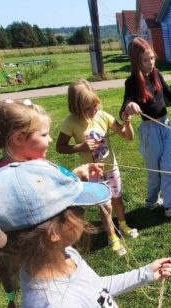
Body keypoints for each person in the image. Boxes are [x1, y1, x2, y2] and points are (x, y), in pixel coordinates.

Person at [0, 160, 171, 307]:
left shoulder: (63, 254)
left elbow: (96, 288)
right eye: (78, 209)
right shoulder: (55, 303)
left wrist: (146, 273)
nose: (84, 214)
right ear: (53, 232)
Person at [0, 99, 103, 307]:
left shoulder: (32, 167)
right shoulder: (21, 180)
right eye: (45, 134)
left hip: (49, 252)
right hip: (45, 258)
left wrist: (75, 176)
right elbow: (40, 205)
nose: (51, 139)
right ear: (19, 138)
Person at [56, 79, 138, 256]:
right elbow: (60, 147)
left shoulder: (103, 116)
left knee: (117, 198)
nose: (93, 111)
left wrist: (128, 122)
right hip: (93, 173)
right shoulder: (70, 122)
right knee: (104, 206)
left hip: (111, 168)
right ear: (75, 107)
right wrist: (81, 147)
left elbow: (128, 137)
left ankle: (122, 224)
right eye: (87, 108)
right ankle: (112, 237)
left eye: (95, 105)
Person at [120, 37, 171, 220]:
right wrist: (128, 108)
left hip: (165, 125)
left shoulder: (157, 75)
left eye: (152, 58)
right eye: (146, 59)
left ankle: (170, 207)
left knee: (167, 169)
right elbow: (125, 106)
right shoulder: (132, 83)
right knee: (154, 173)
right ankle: (152, 201)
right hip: (149, 131)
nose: (150, 63)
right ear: (136, 61)